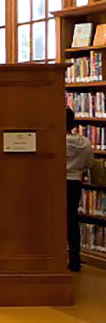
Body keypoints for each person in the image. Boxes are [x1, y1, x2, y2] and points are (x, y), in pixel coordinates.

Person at [67, 106, 95, 272]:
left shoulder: (55, 141)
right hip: (75, 182)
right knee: (72, 221)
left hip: (57, 183)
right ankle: (75, 259)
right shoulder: (85, 142)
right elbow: (89, 164)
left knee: (54, 221)